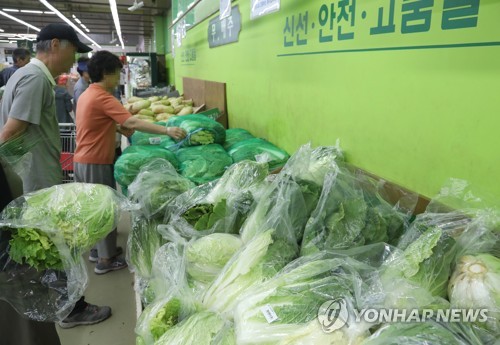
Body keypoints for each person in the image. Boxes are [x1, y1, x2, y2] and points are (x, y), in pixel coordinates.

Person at [0, 23, 112, 329]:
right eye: (72, 49)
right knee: (56, 247)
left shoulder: (22, 75)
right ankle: (71, 310)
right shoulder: (35, 77)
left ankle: (63, 307)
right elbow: (12, 129)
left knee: (50, 249)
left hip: (30, 175)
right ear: (54, 45)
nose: (75, 57)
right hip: (35, 180)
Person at [74, 50, 186, 274]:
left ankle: (98, 250)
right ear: (107, 73)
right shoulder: (103, 96)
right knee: (104, 210)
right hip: (95, 161)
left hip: (84, 159)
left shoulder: (89, 93)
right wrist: (167, 130)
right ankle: (105, 261)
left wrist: (115, 127)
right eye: (117, 74)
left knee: (94, 209)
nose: (118, 79)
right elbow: (133, 119)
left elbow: (96, 123)